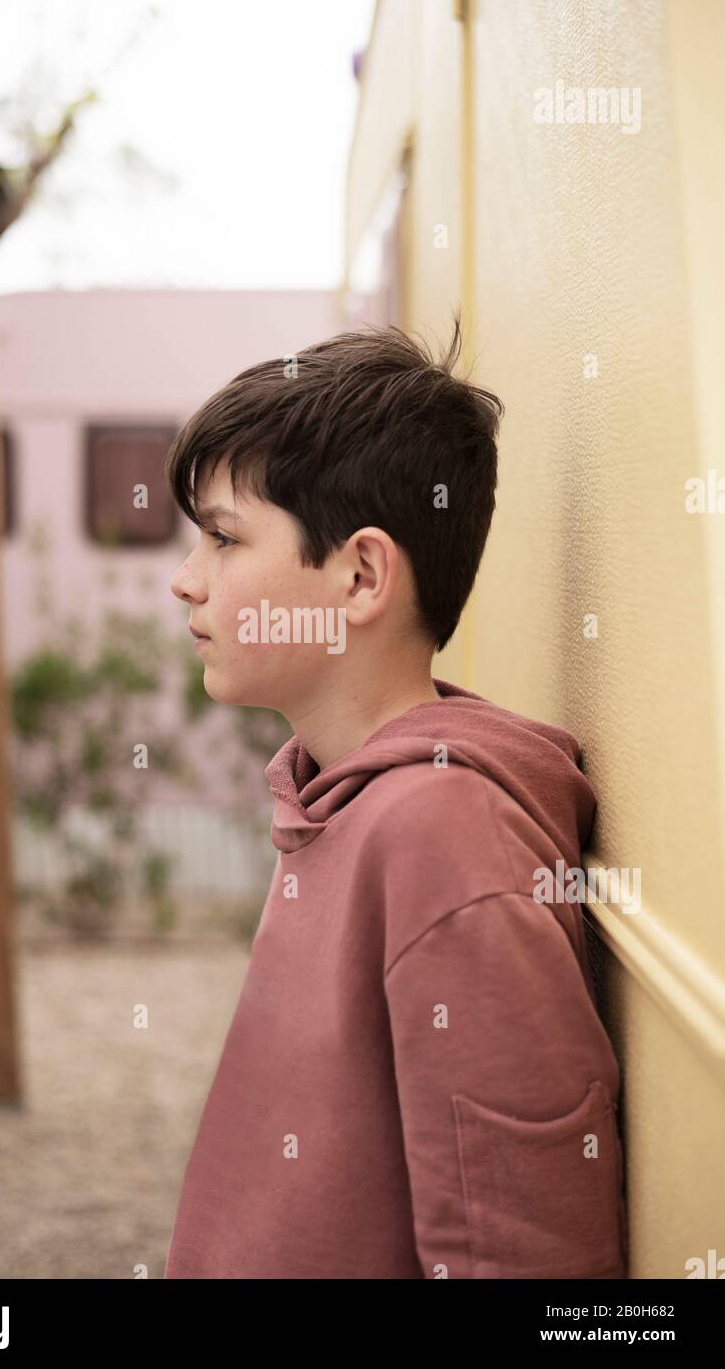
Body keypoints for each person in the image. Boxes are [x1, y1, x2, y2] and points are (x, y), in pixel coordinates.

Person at [163, 315, 628, 1279]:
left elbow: (524, 1246)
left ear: (361, 575)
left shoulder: (440, 832)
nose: (184, 582)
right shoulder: (340, 797)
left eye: (221, 540)